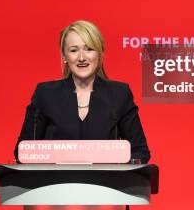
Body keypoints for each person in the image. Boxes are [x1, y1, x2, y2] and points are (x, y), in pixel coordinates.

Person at [14, 20, 150, 163]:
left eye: (89, 49)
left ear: (100, 53)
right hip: (56, 183)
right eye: (73, 50)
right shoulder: (45, 94)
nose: (81, 57)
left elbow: (140, 152)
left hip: (105, 183)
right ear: (64, 56)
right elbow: (23, 151)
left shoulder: (119, 94)